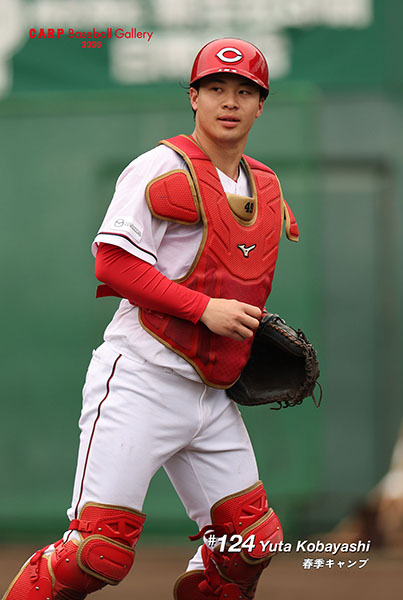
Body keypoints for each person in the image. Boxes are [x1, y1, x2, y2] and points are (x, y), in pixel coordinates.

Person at [2, 38, 299, 600]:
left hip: (211, 391)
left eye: (244, 91)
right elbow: (112, 264)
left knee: (250, 545)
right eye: (215, 88)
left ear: (261, 105)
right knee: (95, 554)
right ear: (193, 97)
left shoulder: (263, 184)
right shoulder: (160, 167)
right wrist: (204, 309)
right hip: (141, 379)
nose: (229, 101)